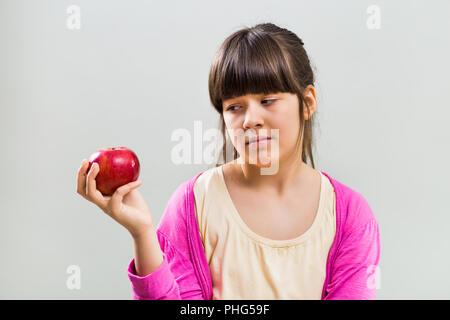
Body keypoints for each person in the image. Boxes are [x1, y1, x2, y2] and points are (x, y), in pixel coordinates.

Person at [76, 22, 380, 300]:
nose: (251, 120)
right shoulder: (193, 203)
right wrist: (142, 233)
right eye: (235, 107)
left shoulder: (350, 215)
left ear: (307, 103)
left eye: (267, 100)